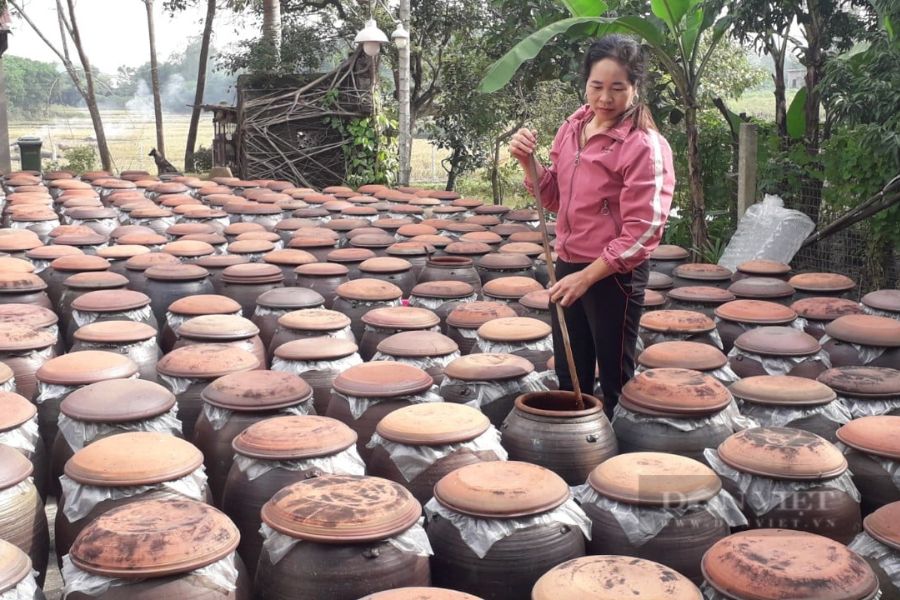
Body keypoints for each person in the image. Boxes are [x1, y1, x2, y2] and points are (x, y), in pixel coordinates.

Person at [509, 34, 675, 417]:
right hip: (567, 263)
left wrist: (587, 277)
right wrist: (527, 161)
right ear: (584, 83)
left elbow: (644, 229)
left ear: (635, 89)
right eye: (596, 86)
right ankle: (575, 456)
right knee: (571, 373)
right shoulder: (572, 128)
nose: (605, 98)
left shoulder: (644, 145)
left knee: (616, 377)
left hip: (613, 275)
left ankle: (617, 463)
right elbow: (553, 197)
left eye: (618, 88)